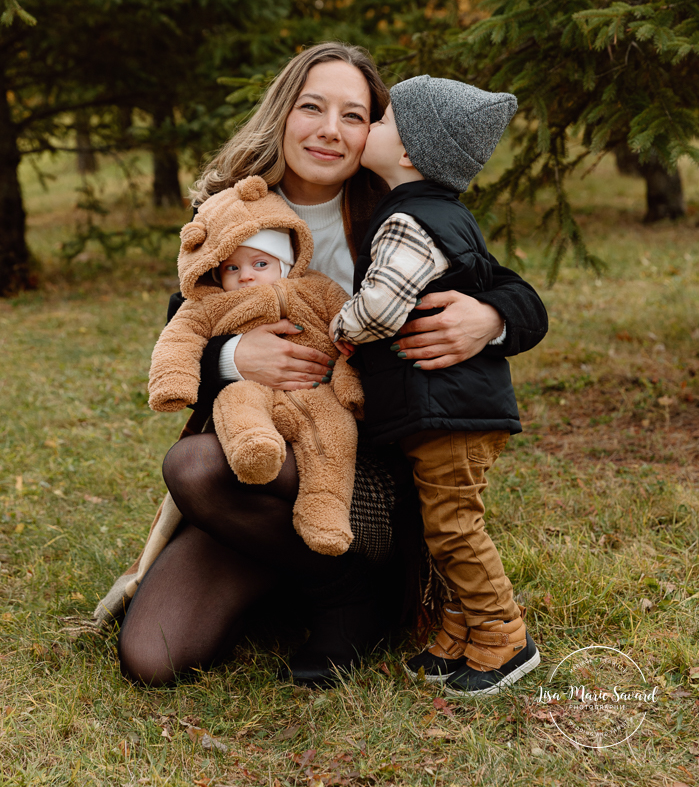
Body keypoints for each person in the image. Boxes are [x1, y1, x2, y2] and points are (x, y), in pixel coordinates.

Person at [116, 42, 548, 688]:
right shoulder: (235, 210)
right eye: (312, 107)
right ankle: (293, 570)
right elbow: (185, 319)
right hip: (263, 467)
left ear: (379, 132)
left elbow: (516, 292)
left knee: (198, 464)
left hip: (370, 473)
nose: (328, 129)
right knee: (154, 653)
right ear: (283, 113)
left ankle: (352, 598)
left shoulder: (398, 212)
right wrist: (235, 356)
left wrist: (492, 319)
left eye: (353, 114)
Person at [330, 76, 541, 696]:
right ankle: (458, 635)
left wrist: (337, 325)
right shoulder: (437, 212)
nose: (369, 124)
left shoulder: (407, 222)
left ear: (410, 152)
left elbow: (382, 306)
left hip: (447, 408)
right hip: (443, 408)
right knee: (439, 525)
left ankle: (504, 637)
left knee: (453, 526)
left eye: (384, 118)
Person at [148, 176, 364, 558]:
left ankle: (325, 512)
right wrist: (223, 360)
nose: (246, 276)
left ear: (285, 262)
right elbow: (179, 336)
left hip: (326, 402)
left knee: (333, 433)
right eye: (232, 268)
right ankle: (255, 448)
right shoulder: (227, 214)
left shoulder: (320, 285)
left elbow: (348, 337)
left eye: (261, 263)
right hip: (253, 396)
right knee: (236, 405)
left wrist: (351, 386)